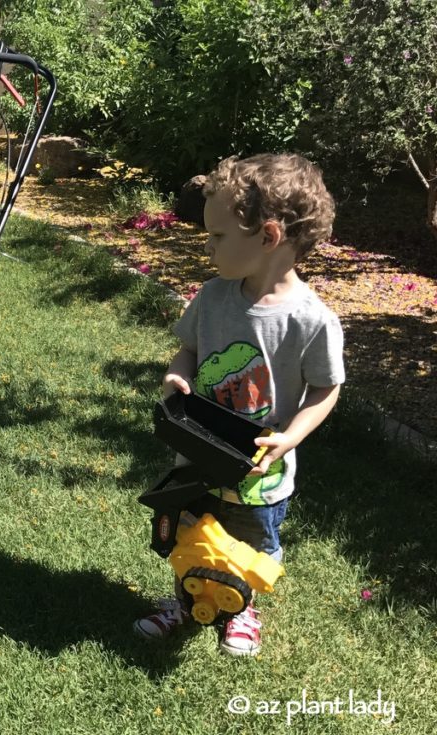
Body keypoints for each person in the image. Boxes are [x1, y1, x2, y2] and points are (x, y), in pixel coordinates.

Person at [134, 153, 345, 656]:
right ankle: (185, 602)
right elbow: (189, 349)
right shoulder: (212, 297)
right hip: (198, 453)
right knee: (191, 533)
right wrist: (177, 374)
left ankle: (240, 608)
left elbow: (325, 388)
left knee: (249, 547)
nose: (208, 247)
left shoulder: (310, 322)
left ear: (268, 237)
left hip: (258, 474)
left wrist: (292, 436)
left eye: (218, 237)